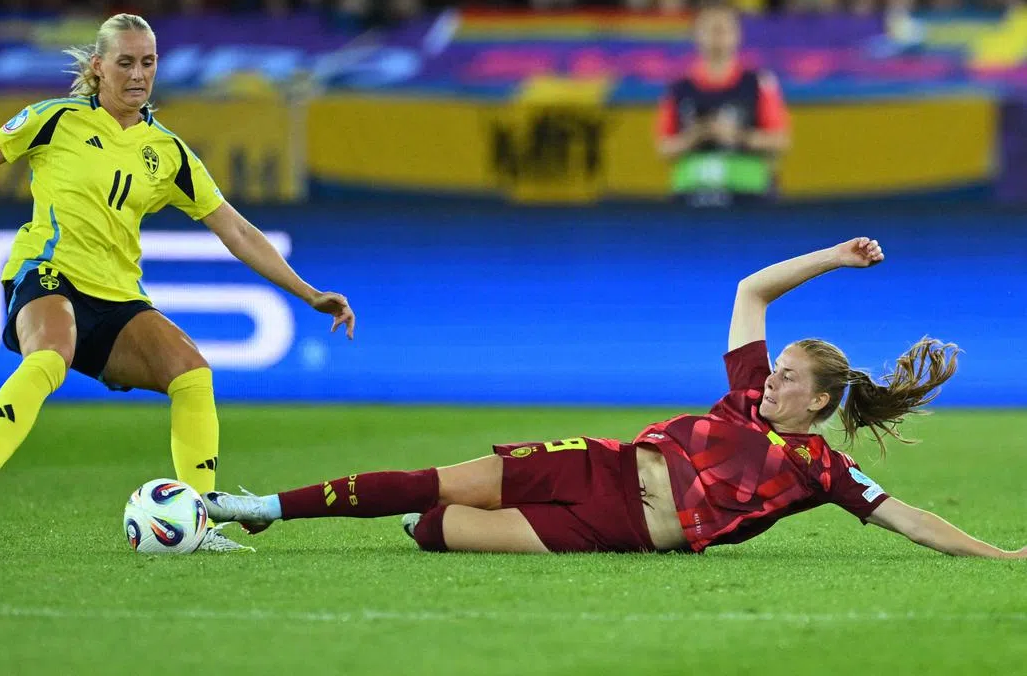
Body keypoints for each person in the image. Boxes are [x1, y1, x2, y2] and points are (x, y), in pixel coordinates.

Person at [206, 237, 1026, 560]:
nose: (770, 379)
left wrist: (1002, 557)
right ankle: (259, 507)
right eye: (774, 372)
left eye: (786, 380)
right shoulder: (744, 395)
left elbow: (910, 518)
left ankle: (410, 520)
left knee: (435, 533)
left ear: (816, 404)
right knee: (434, 479)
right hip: (598, 467)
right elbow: (750, 289)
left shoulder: (820, 472)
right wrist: (834, 259)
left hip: (617, 528)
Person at [0, 13, 356, 552]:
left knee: (192, 374)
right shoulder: (53, 120)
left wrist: (309, 292)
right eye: (125, 62)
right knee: (50, 352)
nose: (138, 74)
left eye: (148, 62)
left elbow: (235, 229)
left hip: (117, 296)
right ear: (97, 66)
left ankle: (199, 523)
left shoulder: (169, 152)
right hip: (48, 273)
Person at [656, 4, 790, 208]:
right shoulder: (679, 89)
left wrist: (737, 135)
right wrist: (697, 134)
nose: (716, 37)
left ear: (737, 35)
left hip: (748, 195)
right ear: (696, 35)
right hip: (691, 195)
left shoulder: (758, 83)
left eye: (723, 30)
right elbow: (664, 146)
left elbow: (780, 141)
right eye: (710, 30)